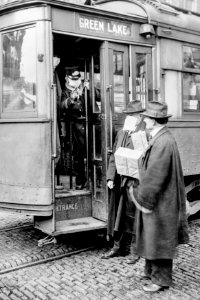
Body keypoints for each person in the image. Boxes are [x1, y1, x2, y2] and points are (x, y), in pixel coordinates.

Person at [129, 101, 189, 292]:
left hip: (161, 201)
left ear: (154, 121)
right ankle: (150, 271)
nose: (144, 120)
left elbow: (155, 175)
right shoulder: (161, 137)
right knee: (152, 236)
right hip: (161, 199)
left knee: (160, 238)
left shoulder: (162, 141)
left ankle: (161, 280)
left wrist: (140, 194)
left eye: (146, 117)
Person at [102, 100, 146, 261]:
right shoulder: (121, 132)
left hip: (135, 181)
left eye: (132, 115)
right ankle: (117, 248)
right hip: (120, 180)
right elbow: (114, 155)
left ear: (140, 116)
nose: (128, 117)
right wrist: (110, 177)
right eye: (128, 115)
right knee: (117, 215)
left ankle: (135, 250)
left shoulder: (144, 133)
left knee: (134, 215)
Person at [61, 67, 87, 190]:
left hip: (88, 125)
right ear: (68, 78)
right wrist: (70, 100)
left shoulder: (84, 88)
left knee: (90, 153)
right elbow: (61, 106)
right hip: (74, 128)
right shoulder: (65, 91)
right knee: (78, 156)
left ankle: (92, 178)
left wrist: (89, 88)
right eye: (73, 79)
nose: (76, 81)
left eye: (78, 79)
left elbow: (98, 96)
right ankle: (80, 180)